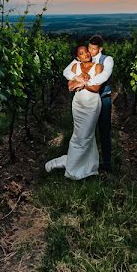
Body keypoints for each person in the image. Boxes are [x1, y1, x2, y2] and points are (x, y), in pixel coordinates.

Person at [45, 44, 103, 179]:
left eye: (86, 51)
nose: (86, 54)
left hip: (92, 105)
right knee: (81, 134)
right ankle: (90, 167)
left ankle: (73, 169)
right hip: (78, 105)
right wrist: (80, 82)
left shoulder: (98, 66)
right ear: (78, 57)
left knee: (84, 136)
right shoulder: (75, 67)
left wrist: (82, 84)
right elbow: (70, 86)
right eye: (81, 53)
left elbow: (96, 88)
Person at [63, 34, 114, 172]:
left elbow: (104, 76)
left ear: (100, 49)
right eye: (88, 48)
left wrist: (83, 83)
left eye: (93, 49)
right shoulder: (79, 62)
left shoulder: (107, 60)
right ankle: (86, 161)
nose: (89, 52)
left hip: (103, 99)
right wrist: (77, 77)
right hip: (82, 103)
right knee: (85, 132)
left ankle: (106, 163)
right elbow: (67, 71)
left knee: (104, 131)